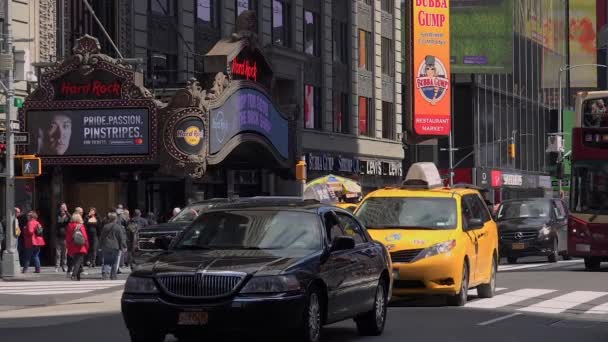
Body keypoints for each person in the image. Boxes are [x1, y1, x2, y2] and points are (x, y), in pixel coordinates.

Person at [100, 212, 126, 280]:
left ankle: (105, 275)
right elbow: (121, 238)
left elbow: (102, 237)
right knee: (114, 262)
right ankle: (113, 276)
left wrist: (100, 245)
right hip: (115, 246)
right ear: (115, 219)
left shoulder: (105, 226)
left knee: (107, 261)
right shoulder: (118, 227)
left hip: (106, 245)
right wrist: (123, 246)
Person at [65, 213, 89, 281]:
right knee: (78, 262)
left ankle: (78, 277)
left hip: (72, 246)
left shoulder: (69, 226)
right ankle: (74, 275)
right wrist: (87, 246)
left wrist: (68, 246)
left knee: (76, 261)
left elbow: (68, 238)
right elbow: (85, 237)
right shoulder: (81, 226)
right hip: (81, 246)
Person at [55, 203, 69, 272]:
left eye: (64, 207)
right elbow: (57, 222)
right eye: (62, 207)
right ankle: (57, 266)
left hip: (65, 237)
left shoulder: (67, 216)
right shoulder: (58, 215)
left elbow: (71, 218)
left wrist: (66, 211)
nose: (63, 209)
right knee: (58, 253)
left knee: (64, 253)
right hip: (58, 236)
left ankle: (64, 266)